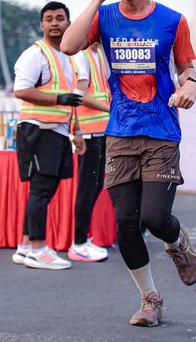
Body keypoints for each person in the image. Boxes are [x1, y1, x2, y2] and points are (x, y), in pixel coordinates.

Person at [61, 0, 196, 328]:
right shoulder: (104, 16)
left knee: (155, 217)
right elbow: (68, 45)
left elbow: (187, 67)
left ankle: (178, 243)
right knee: (125, 222)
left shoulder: (173, 20)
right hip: (120, 131)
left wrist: (189, 85)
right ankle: (150, 299)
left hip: (161, 130)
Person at [11, 1, 87, 270]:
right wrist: (58, 98)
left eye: (60, 18)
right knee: (41, 190)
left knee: (46, 189)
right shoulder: (36, 54)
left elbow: (72, 100)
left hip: (58, 131)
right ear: (41, 24)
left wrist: (77, 131)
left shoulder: (68, 57)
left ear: (69, 23)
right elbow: (21, 90)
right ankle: (38, 248)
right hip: (37, 130)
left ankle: (25, 245)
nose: (55, 23)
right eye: (49, 19)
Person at [68, 42, 111, 262]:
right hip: (88, 132)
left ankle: (83, 239)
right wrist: (110, 108)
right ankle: (79, 242)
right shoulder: (81, 56)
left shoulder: (98, 55)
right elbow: (79, 96)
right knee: (87, 189)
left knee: (95, 186)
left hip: (101, 130)